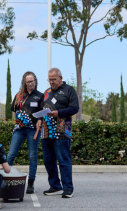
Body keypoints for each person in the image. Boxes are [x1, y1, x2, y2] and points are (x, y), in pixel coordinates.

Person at [37, 68, 79, 198]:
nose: (51, 82)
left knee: (63, 159)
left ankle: (67, 188)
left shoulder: (69, 90)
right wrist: (39, 119)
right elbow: (41, 109)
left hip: (62, 130)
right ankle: (55, 186)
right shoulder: (47, 92)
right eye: (49, 80)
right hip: (46, 130)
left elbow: (75, 108)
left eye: (54, 79)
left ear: (60, 77)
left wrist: (59, 113)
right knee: (48, 160)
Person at [6, 71, 43, 194]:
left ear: (35, 81)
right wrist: (17, 120)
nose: (31, 83)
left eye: (32, 81)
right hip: (19, 130)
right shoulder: (19, 95)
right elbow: (14, 110)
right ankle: (4, 180)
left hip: (33, 130)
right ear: (24, 83)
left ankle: (31, 183)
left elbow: (43, 113)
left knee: (32, 156)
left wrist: (40, 120)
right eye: (28, 82)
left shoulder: (40, 96)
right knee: (11, 154)